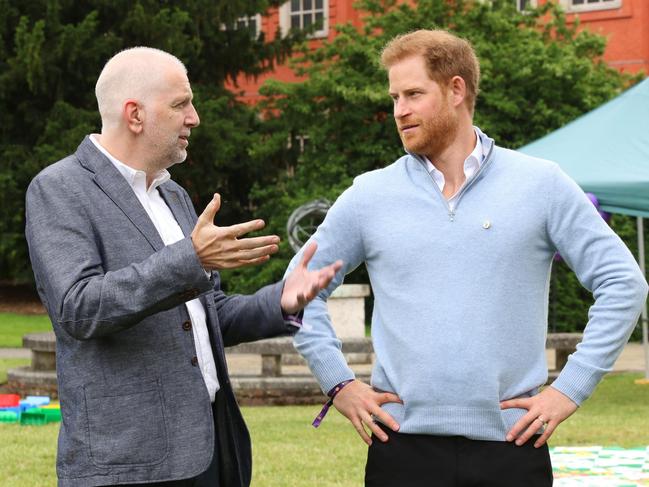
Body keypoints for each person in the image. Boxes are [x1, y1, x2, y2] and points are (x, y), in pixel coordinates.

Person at [286, 30, 648, 486]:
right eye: (395, 96)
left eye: (414, 94)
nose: (399, 110)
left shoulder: (541, 184)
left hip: (513, 446)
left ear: (456, 89)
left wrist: (569, 390)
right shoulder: (370, 195)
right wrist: (337, 382)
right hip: (401, 447)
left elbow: (624, 283)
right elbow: (297, 288)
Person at [25, 47, 342, 487]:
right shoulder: (59, 189)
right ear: (134, 114)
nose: (194, 117)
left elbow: (204, 313)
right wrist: (189, 259)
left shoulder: (173, 195)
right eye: (180, 104)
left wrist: (281, 301)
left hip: (209, 450)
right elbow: (79, 308)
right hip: (128, 466)